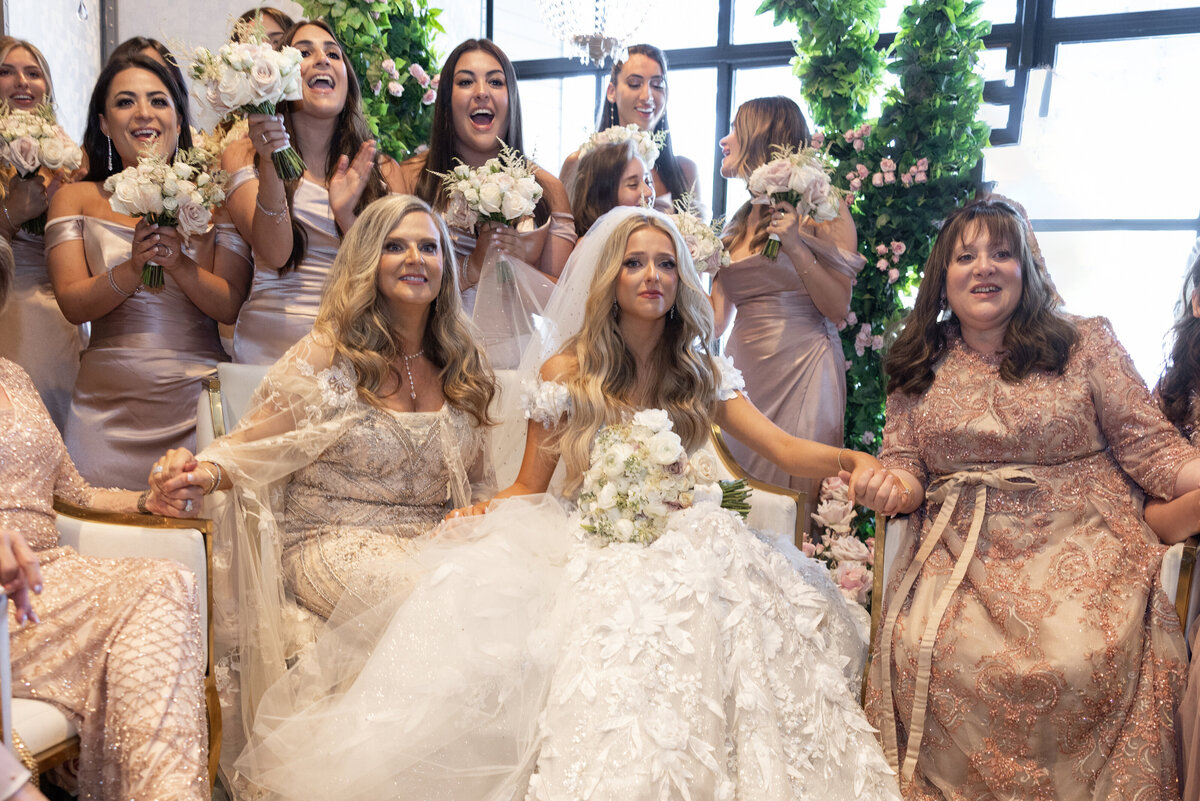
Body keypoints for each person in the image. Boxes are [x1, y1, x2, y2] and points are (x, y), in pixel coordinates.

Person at [224, 206, 902, 801]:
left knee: (733, 599)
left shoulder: (699, 368)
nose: (652, 276)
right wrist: (480, 518)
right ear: (610, 277)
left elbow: (782, 449)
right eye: (634, 263)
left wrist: (854, 460)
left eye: (666, 264)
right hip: (595, 537)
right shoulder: (565, 371)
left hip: (691, 531)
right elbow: (529, 484)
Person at [853, 197, 1200, 800]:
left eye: (1002, 253)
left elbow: (1156, 452)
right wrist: (892, 485)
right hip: (962, 555)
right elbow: (907, 468)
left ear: (1027, 268)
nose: (984, 267)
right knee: (924, 650)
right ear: (943, 276)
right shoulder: (918, 360)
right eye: (966, 257)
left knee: (1074, 658)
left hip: (1082, 546)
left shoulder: (1084, 343)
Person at [150, 195, 497, 788]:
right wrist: (199, 471)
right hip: (331, 539)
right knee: (424, 599)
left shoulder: (464, 363)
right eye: (395, 246)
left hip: (432, 541)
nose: (415, 258)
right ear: (368, 260)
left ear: (446, 265)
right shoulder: (327, 356)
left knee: (507, 595)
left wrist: (477, 525)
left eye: (429, 246)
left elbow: (477, 484)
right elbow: (251, 445)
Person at [0, 235, 210, 801]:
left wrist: (148, 503)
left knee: (167, 580)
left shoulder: (12, 377)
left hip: (51, 578)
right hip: (7, 597)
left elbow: (76, 493)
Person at [45, 54, 251, 488]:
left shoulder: (216, 200)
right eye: (125, 102)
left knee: (200, 538)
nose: (143, 113)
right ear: (103, 123)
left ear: (178, 118)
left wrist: (177, 263)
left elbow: (230, 306)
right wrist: (134, 267)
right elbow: (71, 304)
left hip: (195, 403)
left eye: (158, 100)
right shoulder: (76, 199)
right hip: (105, 405)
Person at [223, 19, 407, 365]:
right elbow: (275, 254)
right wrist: (270, 161)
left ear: (347, 81)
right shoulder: (242, 155)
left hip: (357, 353)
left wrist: (347, 217)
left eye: (333, 54)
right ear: (281, 76)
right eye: (304, 52)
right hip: (269, 353)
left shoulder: (383, 172)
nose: (322, 59)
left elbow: (395, 280)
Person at [713, 96, 864, 510]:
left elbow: (838, 308)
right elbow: (713, 322)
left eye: (734, 130)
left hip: (803, 365)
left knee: (792, 501)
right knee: (737, 496)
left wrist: (797, 245)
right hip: (743, 371)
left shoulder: (822, 206)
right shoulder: (737, 221)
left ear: (762, 137)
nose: (724, 141)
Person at [398, 38, 574, 313]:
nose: (481, 92)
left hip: (523, 351)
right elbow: (391, 284)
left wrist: (520, 266)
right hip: (438, 348)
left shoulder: (547, 189)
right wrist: (472, 267)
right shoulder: (410, 178)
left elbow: (567, 305)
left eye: (495, 82)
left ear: (511, 97)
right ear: (446, 100)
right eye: (466, 82)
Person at [0, 37, 85, 432]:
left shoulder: (67, 155)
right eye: (7, 71)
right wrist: (11, 213)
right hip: (7, 308)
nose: (22, 82)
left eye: (33, 73)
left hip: (56, 319)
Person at [560, 44, 702, 217]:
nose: (647, 97)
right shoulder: (578, 161)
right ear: (612, 91)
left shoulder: (685, 170)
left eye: (657, 85)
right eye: (635, 84)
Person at [567, 139, 655, 237]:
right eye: (633, 184)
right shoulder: (590, 245)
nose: (649, 192)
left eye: (648, 182)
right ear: (602, 195)